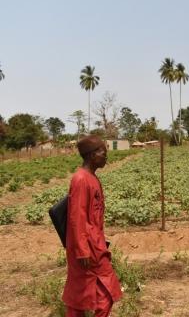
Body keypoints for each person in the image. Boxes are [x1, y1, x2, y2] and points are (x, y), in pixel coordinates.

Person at [63, 135, 122, 317]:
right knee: (105, 294)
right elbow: (77, 217)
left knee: (79, 293)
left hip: (93, 243)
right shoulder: (81, 180)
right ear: (91, 155)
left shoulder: (91, 178)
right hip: (88, 247)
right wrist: (82, 250)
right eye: (103, 152)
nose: (106, 156)